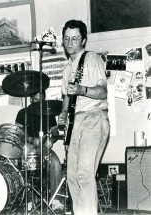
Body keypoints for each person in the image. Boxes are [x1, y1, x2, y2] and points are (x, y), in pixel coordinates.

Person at [58, 20, 110, 215]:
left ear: (84, 40)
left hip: (94, 118)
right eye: (66, 38)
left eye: (75, 38)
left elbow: (102, 91)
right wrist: (63, 113)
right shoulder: (66, 68)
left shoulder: (91, 58)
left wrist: (82, 89)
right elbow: (66, 96)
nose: (70, 42)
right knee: (71, 176)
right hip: (75, 123)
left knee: (84, 175)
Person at [15, 91, 64, 211]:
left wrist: (51, 139)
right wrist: (31, 139)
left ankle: (55, 200)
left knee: (56, 164)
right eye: (36, 100)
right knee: (28, 164)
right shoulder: (23, 113)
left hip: (44, 147)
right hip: (29, 146)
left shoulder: (48, 113)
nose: (39, 103)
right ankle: (29, 200)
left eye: (41, 100)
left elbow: (55, 132)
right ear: (31, 99)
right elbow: (17, 133)